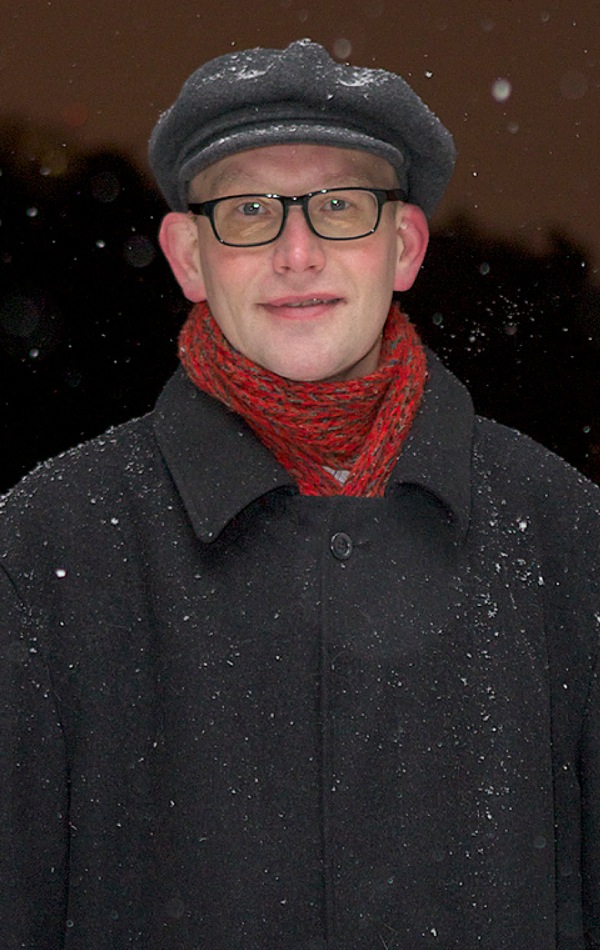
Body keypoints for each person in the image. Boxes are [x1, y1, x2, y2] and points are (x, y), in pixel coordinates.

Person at [1, 38, 599, 950]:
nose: (297, 252)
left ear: (404, 247)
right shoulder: (45, 549)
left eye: (340, 206)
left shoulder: (566, 536)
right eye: (248, 210)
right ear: (188, 257)